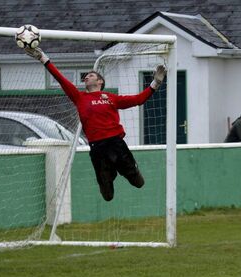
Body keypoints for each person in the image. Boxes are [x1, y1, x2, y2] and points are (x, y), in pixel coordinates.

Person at [23, 47, 165, 201]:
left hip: (116, 144)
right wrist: (43, 59)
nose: (86, 77)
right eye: (85, 77)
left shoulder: (110, 97)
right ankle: (110, 173)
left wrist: (155, 83)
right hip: (98, 148)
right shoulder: (79, 97)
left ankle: (122, 169)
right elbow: (60, 79)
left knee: (139, 182)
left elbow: (138, 99)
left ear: (100, 81)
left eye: (90, 75)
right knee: (107, 195)